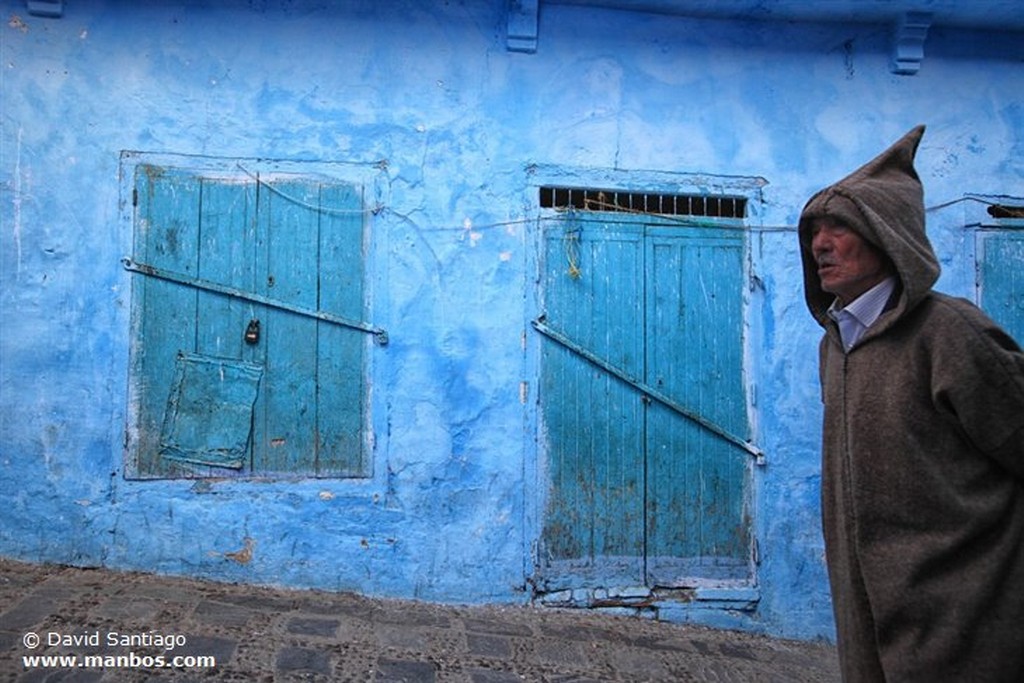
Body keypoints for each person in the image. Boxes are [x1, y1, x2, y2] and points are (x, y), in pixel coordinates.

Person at [798, 125, 1024, 682]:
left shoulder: (951, 335)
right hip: (869, 621)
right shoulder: (837, 342)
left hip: (962, 627)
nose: (819, 244)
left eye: (839, 228)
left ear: (887, 234)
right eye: (813, 230)